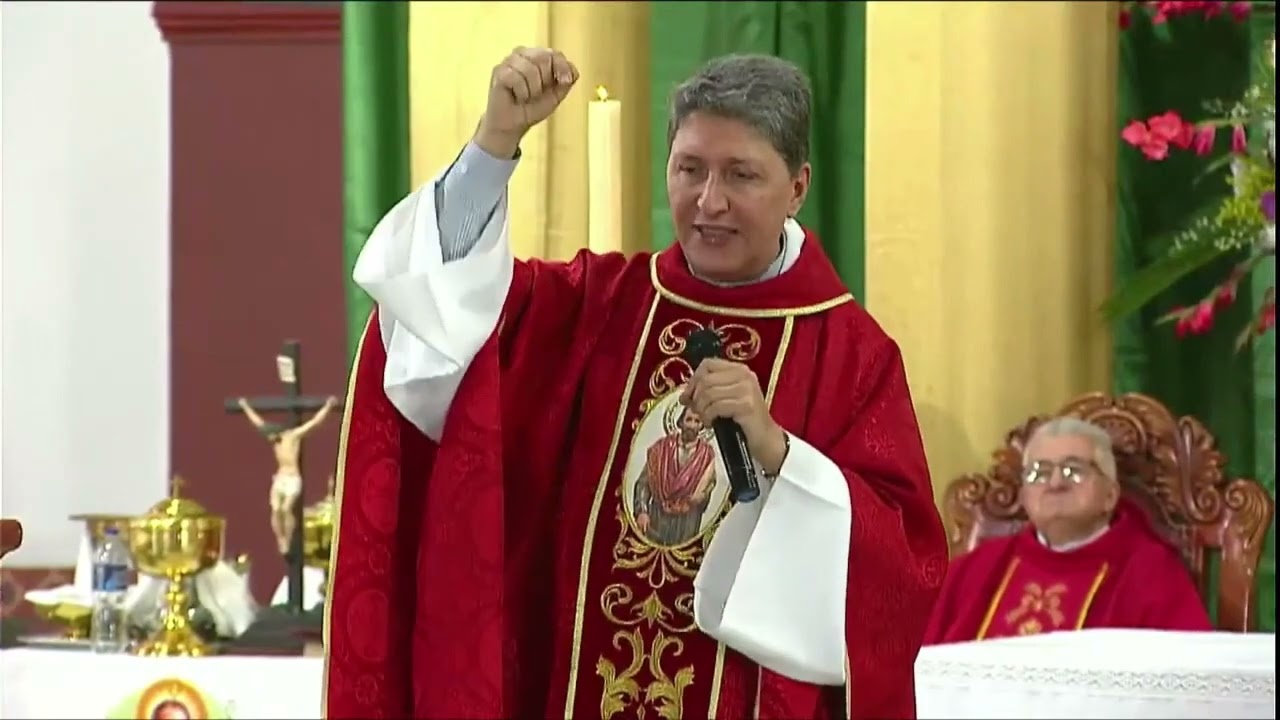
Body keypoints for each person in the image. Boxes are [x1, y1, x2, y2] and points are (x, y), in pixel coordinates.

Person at [324, 48, 948, 720]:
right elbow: (447, 314)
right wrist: (494, 144)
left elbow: (902, 565)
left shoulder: (852, 355)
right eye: (689, 169)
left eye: (741, 175)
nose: (709, 201)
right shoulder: (597, 307)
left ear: (797, 187)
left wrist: (781, 456)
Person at [923, 417, 1214, 645]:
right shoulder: (975, 570)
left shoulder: (1150, 572)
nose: (1055, 484)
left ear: (1110, 495)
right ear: (1024, 496)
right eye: (1039, 472)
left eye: (1073, 470)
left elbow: (1187, 681)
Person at [236, 396, 338, 554]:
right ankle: (281, 539)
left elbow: (314, 424)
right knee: (276, 509)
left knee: (286, 508)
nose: (269, 439)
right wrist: (245, 407)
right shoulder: (274, 440)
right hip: (280, 478)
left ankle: (288, 538)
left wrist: (328, 406)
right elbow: (258, 422)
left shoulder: (291, 436)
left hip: (292, 478)